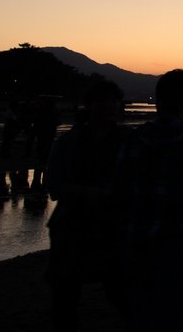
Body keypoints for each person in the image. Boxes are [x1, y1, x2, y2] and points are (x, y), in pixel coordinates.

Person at [112, 69, 183, 331]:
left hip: (134, 231)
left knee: (137, 301)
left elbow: (118, 187)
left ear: (158, 99)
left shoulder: (135, 138)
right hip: (177, 232)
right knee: (170, 301)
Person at [46, 80, 128, 330]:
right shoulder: (68, 142)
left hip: (115, 224)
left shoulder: (129, 140)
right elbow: (54, 186)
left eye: (112, 100)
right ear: (89, 105)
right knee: (65, 290)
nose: (108, 106)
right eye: (101, 101)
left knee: (120, 289)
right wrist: (89, 192)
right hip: (72, 223)